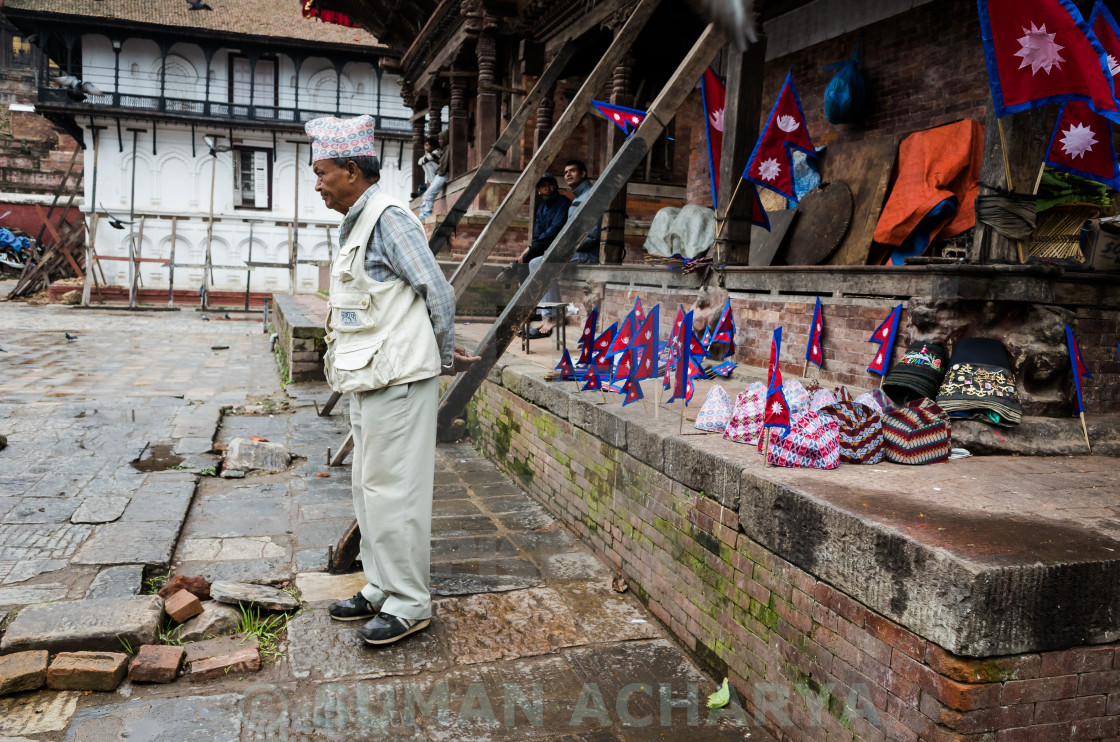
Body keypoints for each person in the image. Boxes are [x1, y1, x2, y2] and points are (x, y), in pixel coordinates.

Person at [305, 114, 479, 646]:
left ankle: (410, 602)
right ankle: (381, 587)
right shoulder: (357, 220)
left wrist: (442, 358)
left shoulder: (389, 218)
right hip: (370, 376)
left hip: (399, 377)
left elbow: (438, 292)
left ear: (352, 171)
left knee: (396, 493)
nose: (317, 184)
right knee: (369, 489)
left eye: (322, 172)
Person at [528, 159, 601, 338]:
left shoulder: (591, 196)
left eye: (572, 171)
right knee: (535, 262)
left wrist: (564, 251)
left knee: (547, 263)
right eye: (565, 172)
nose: (567, 174)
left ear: (583, 173)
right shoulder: (577, 199)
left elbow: (592, 236)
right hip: (576, 252)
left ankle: (554, 317)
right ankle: (547, 316)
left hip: (589, 255)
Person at [496, 173, 570, 284]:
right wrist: (531, 247)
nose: (548, 188)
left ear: (556, 186)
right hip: (543, 244)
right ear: (539, 191)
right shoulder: (542, 208)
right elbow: (538, 233)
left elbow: (556, 228)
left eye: (550, 185)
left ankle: (512, 269)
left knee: (525, 257)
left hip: (558, 242)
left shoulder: (563, 203)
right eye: (543, 186)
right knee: (523, 266)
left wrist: (531, 248)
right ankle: (524, 294)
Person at [419, 130, 449, 219]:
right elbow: (420, 161)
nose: (439, 141)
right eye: (439, 139)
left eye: (441, 139)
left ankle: (426, 214)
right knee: (426, 194)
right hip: (440, 174)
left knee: (428, 194)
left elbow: (423, 161)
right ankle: (422, 215)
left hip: (444, 174)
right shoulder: (445, 149)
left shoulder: (445, 149)